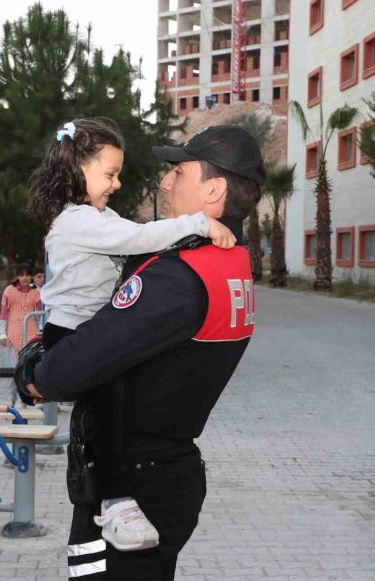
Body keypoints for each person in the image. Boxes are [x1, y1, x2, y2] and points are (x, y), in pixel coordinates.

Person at [17, 124, 262, 578]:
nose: (165, 182)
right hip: (167, 471)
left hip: (135, 485)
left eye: (178, 172)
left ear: (214, 189)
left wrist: (35, 369)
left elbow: (74, 368)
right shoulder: (231, 260)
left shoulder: (177, 277)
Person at [0, 263, 42, 407]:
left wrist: (40, 333)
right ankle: (11, 400)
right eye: (21, 274)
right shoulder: (9, 291)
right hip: (13, 336)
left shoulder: (37, 293)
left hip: (30, 337)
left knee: (27, 371)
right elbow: (3, 315)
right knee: (13, 371)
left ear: (31, 276)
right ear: (17, 276)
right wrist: (2, 334)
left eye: (27, 275)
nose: (24, 278)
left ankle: (25, 403)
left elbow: (40, 316)